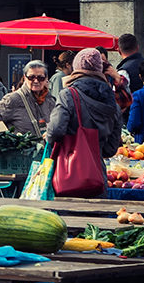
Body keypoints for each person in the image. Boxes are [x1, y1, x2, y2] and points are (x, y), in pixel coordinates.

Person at [46, 48, 123, 193]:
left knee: (67, 215)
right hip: (97, 175)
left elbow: (55, 131)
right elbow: (111, 148)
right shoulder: (113, 102)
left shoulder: (68, 95)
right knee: (95, 214)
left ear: (76, 68)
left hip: (68, 173)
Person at [0, 60, 55, 135]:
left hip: (46, 146)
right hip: (23, 146)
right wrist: (9, 139)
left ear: (46, 79)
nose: (36, 81)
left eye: (40, 78)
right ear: (25, 78)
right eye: (31, 77)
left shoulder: (50, 100)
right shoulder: (13, 99)